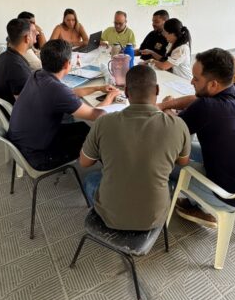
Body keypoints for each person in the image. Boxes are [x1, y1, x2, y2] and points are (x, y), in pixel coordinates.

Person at [168, 48, 235, 227]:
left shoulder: (207, 107)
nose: (191, 81)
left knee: (162, 159)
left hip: (230, 197)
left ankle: (200, 206)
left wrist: (168, 111)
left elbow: (169, 131)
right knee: (192, 149)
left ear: (213, 85)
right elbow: (195, 99)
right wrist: (167, 103)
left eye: (196, 78)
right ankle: (196, 202)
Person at [80, 65, 191, 231]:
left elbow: (84, 162)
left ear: (125, 92)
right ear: (158, 90)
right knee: (169, 177)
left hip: (110, 216)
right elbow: (183, 161)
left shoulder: (104, 122)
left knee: (90, 179)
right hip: (155, 218)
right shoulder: (178, 125)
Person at [8, 40, 120, 170]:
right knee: (97, 136)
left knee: (83, 128)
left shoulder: (38, 75)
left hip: (23, 144)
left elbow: (69, 93)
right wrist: (111, 97)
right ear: (67, 64)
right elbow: (95, 114)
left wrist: (98, 88)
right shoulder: (56, 90)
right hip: (38, 156)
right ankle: (112, 174)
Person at [0, 18, 32, 104]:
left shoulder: (3, 57)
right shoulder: (17, 67)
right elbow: (27, 105)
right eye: (34, 32)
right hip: (19, 115)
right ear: (27, 38)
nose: (38, 33)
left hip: (10, 109)